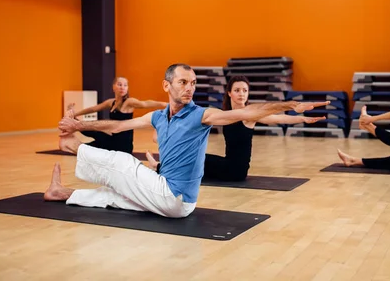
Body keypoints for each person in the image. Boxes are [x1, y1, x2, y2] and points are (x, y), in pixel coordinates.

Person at [45, 64, 329, 218]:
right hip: (168, 197)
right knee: (117, 198)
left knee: (122, 162)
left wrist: (288, 105)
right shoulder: (157, 116)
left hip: (175, 197)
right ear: (167, 85)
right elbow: (118, 125)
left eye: (193, 83)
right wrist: (79, 123)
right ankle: (63, 193)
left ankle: (72, 146)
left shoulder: (202, 116)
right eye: (183, 82)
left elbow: (249, 111)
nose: (190, 88)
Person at [144, 75, 326, 181]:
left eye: (245, 91)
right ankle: (164, 167)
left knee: (195, 160)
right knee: (196, 157)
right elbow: (193, 120)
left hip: (236, 170)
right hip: (227, 164)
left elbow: (278, 118)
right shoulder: (223, 114)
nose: (241, 94)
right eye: (237, 90)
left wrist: (303, 118)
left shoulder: (250, 116)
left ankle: (160, 168)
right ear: (229, 93)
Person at [67, 76, 167, 154]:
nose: (122, 87)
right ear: (113, 87)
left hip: (123, 145)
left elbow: (146, 103)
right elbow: (93, 109)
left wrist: (168, 105)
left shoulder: (129, 102)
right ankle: (74, 130)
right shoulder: (111, 102)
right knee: (92, 134)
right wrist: (75, 113)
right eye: (119, 84)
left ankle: (74, 139)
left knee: (93, 139)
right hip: (113, 140)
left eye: (125, 85)